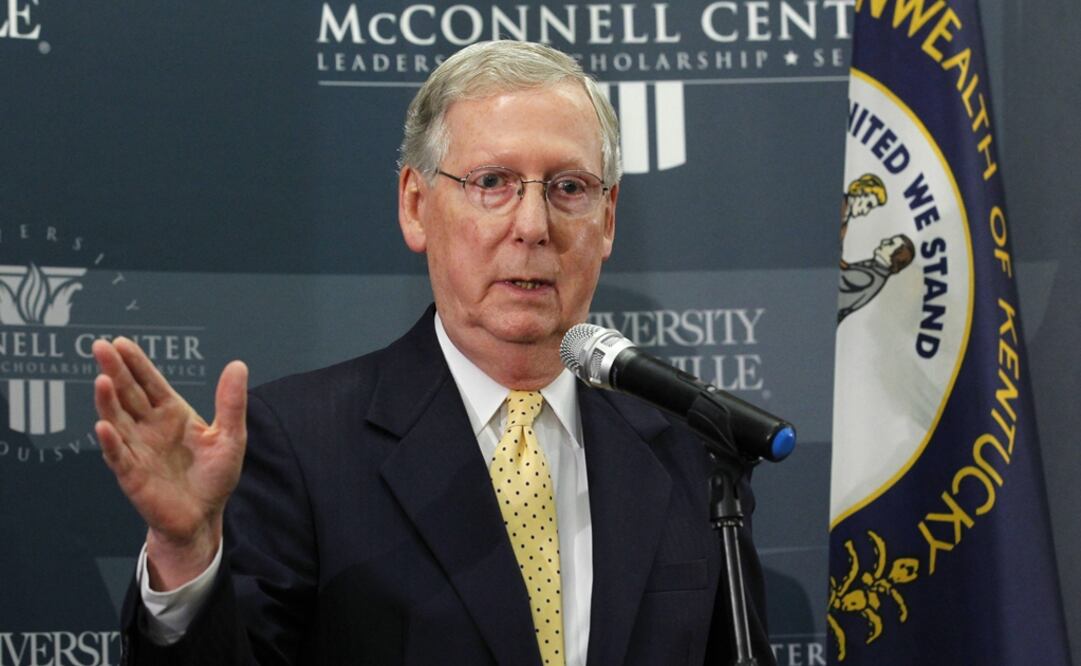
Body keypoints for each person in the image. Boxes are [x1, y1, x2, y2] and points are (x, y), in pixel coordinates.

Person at [92, 40, 772, 665]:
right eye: (492, 182)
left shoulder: (688, 450)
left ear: (608, 218)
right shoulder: (300, 445)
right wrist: (184, 556)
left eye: (568, 188)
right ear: (416, 205)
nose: (532, 226)